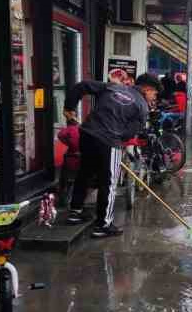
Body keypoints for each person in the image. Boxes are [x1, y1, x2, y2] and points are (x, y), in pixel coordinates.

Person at [64, 73, 159, 237]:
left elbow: (82, 86)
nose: (153, 97)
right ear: (147, 89)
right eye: (154, 93)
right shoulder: (142, 106)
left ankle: (75, 212)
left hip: (87, 133)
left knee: (84, 173)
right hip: (109, 140)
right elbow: (130, 133)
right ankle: (103, 225)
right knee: (108, 182)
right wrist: (114, 139)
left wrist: (69, 108)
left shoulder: (113, 87)